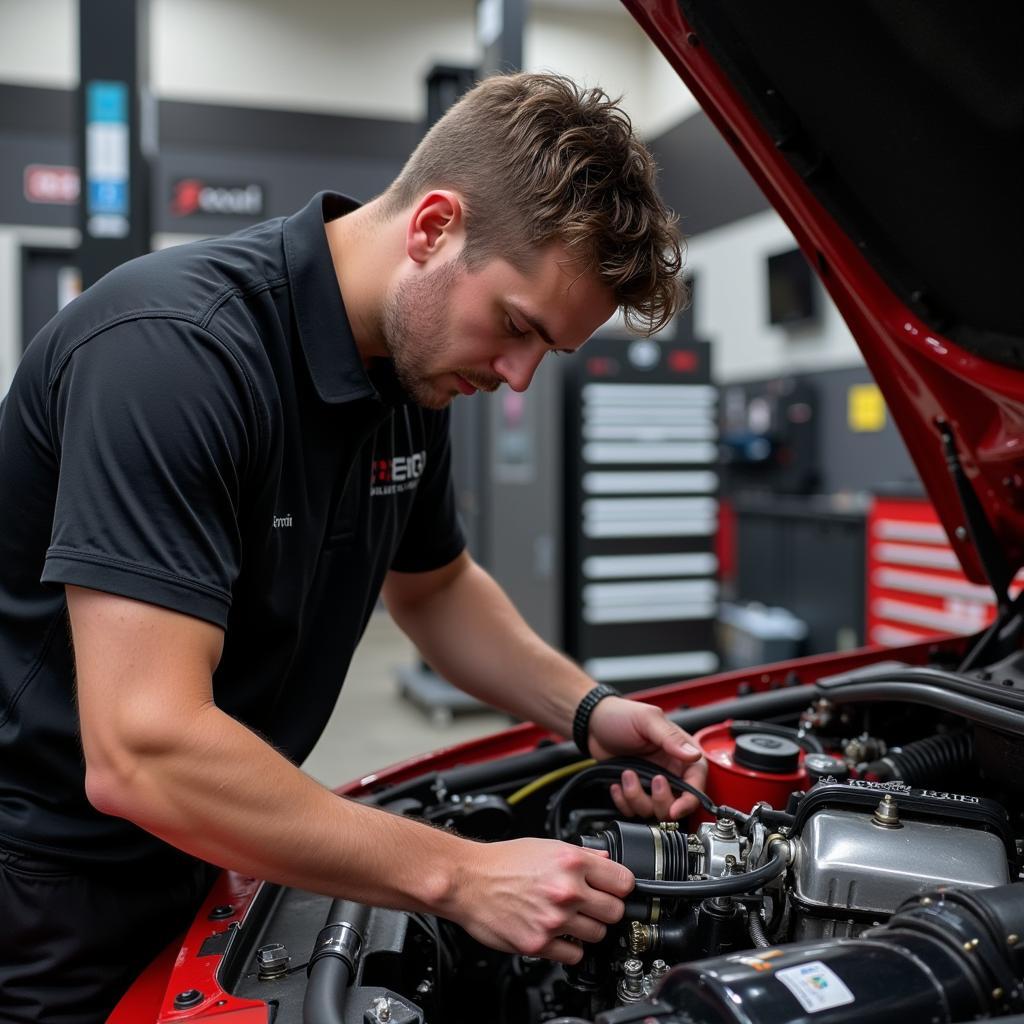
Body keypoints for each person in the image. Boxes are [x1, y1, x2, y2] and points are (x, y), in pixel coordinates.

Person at [0, 72, 705, 1021]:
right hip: (48, 885)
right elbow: (143, 750)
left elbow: (437, 586)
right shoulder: (174, 353)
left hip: (216, 843)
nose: (517, 377)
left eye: (548, 353)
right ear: (433, 227)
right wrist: (459, 875)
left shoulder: (407, 378)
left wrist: (587, 711)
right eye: (515, 328)